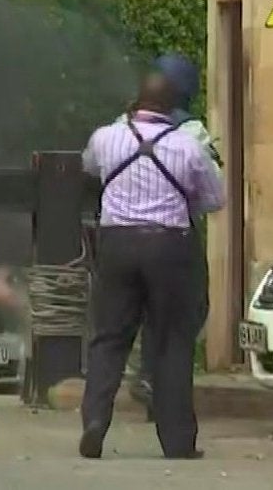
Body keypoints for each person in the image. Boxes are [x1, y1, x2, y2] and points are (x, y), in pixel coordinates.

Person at [80, 65, 225, 461]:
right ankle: (177, 441)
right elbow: (214, 200)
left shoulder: (105, 138)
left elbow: (90, 168)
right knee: (172, 342)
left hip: (116, 245)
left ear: (136, 100)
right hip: (170, 247)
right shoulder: (188, 146)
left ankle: (95, 421)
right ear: (173, 106)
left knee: (109, 338)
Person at [122, 54, 222, 418]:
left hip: (121, 234)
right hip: (175, 235)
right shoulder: (192, 132)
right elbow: (213, 192)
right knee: (187, 311)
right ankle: (158, 384)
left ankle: (144, 380)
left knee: (140, 312)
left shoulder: (121, 128)